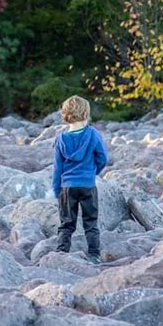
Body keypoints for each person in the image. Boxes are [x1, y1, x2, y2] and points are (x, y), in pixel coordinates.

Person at [52, 95, 108, 263]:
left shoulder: (61, 139)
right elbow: (103, 158)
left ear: (66, 114)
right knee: (90, 222)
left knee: (66, 224)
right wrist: (93, 172)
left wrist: (57, 190)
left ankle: (61, 254)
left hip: (67, 187)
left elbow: (57, 167)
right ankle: (94, 255)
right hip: (88, 185)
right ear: (86, 113)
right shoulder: (93, 134)